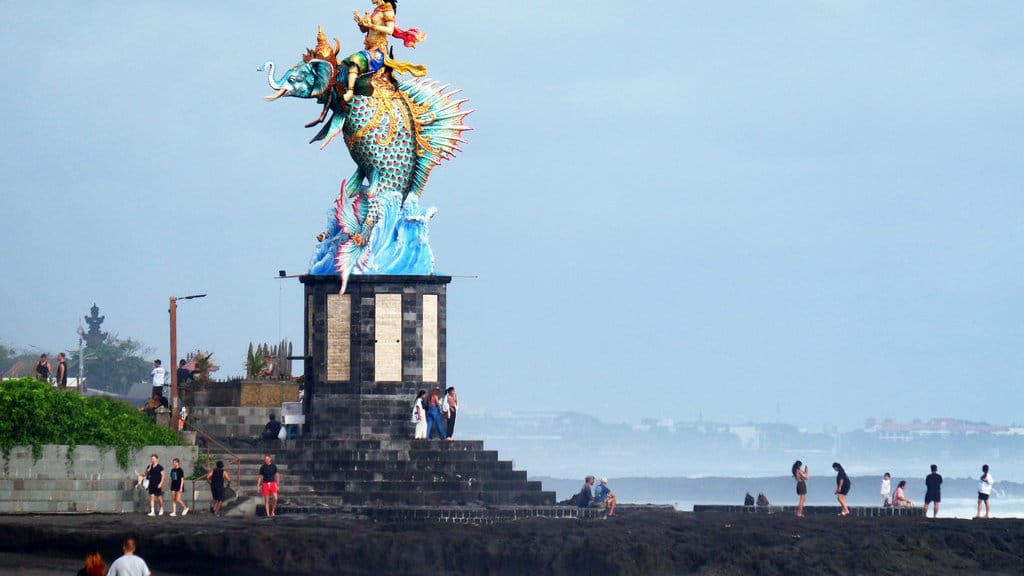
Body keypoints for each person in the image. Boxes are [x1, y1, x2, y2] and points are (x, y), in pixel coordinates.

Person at [342, 0, 427, 103]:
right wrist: (362, 25)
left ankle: (350, 92)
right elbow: (365, 30)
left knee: (355, 59)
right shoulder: (377, 10)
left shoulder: (388, 11)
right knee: (345, 64)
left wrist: (371, 26)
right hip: (368, 48)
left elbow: (390, 30)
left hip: (377, 52)